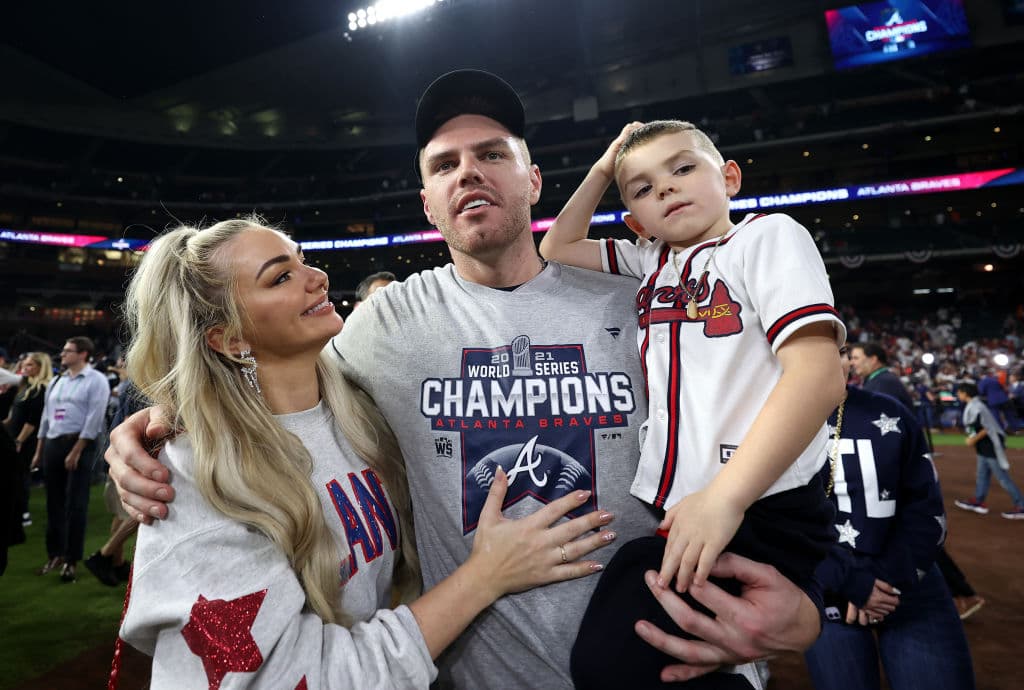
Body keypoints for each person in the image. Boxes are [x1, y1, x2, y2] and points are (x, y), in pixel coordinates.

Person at [107, 70, 825, 689]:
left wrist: (809, 606)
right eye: (444, 164)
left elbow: (787, 425)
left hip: (678, 668)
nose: (468, 172)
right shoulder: (383, 325)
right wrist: (153, 426)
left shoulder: (644, 299)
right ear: (428, 202)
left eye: (490, 154)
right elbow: (262, 386)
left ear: (534, 180)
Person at [114, 218, 616, 688]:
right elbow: (293, 678)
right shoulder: (194, 474)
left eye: (302, 258)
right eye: (280, 277)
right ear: (231, 338)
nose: (316, 277)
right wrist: (485, 576)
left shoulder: (356, 417)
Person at [538, 120, 844, 687]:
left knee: (613, 658)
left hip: (756, 501)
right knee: (656, 657)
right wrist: (606, 167)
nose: (667, 190)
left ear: (729, 177)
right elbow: (555, 245)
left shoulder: (766, 236)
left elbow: (820, 375)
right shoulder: (650, 260)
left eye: (683, 169)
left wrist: (726, 498)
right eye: (644, 189)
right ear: (636, 221)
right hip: (696, 508)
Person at [803, 347, 975, 690]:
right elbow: (774, 524)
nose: (836, 360)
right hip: (828, 592)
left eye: (840, 351)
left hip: (908, 586)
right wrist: (849, 581)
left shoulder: (888, 411)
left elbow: (926, 510)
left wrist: (883, 581)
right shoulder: (766, 425)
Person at [31, 336, 111, 582]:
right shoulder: (57, 380)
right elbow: (46, 416)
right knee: (53, 502)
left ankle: (71, 559)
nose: (63, 354)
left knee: (76, 504)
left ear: (83, 354)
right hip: (53, 444)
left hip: (80, 444)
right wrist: (39, 450)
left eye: (68, 351)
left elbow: (94, 417)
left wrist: (77, 450)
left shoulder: (96, 380)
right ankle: (54, 554)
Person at [952, 382, 1024, 519]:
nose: (958, 394)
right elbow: (976, 426)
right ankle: (978, 501)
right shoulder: (974, 405)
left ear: (966, 393)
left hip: (991, 445)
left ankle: (1021, 506)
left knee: (1002, 478)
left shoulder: (976, 406)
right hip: (984, 446)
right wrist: (973, 437)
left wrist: (972, 439)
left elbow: (985, 428)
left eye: (960, 392)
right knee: (982, 475)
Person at [2, 352, 54, 529]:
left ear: (41, 367)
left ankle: (23, 513)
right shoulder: (25, 386)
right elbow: (14, 415)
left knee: (21, 477)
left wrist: (18, 441)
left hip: (26, 441)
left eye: (30, 365)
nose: (25, 368)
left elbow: (32, 421)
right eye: (24, 364)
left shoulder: (40, 390)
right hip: (14, 438)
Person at [849, 343, 913, 411]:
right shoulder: (879, 379)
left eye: (855, 358)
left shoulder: (884, 382)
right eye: (851, 358)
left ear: (873, 359)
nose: (851, 363)